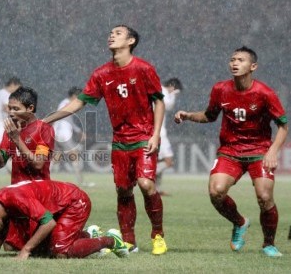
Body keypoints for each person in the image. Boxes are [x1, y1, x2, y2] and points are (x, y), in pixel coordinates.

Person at [43, 24, 167, 255]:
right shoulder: (101, 74)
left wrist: (155, 134)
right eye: (111, 32)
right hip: (120, 141)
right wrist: (45, 121)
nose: (112, 35)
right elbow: (78, 103)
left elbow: (159, 101)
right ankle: (129, 242)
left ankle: (158, 235)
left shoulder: (143, 69)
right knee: (123, 191)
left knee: (146, 184)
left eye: (118, 33)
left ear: (131, 41)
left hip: (143, 137)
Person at [174, 46, 288, 257]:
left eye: (241, 60)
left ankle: (269, 244)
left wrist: (272, 151)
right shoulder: (221, 89)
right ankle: (240, 222)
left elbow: (283, 125)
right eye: (233, 59)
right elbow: (209, 116)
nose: (235, 63)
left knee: (264, 196)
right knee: (216, 192)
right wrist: (188, 115)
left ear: (253, 66)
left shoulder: (264, 93)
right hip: (230, 151)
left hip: (259, 151)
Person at [0, 180, 129, 259]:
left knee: (61, 252)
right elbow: (3, 224)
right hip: (55, 207)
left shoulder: (17, 200)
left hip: (74, 202)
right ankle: (86, 235)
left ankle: (111, 241)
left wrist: (25, 250)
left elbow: (48, 222)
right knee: (42, 251)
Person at [0, 86, 55, 184]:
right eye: (9, 108)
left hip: (39, 192)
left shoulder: (44, 129)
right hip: (17, 192)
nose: (11, 113)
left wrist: (16, 139)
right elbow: (0, 163)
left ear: (30, 108)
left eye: (16, 109)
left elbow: (38, 164)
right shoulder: (10, 130)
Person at [52, 87, 94, 187]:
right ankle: (81, 182)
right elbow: (63, 119)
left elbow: (66, 120)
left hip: (59, 133)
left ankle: (43, 180)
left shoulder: (64, 103)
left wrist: (78, 131)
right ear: (74, 96)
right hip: (63, 134)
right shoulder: (67, 103)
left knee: (56, 157)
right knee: (74, 156)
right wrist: (78, 131)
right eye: (79, 96)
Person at [155, 78, 183, 196]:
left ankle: (156, 190)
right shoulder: (161, 91)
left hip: (158, 131)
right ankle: (145, 176)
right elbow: (168, 105)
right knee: (168, 161)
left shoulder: (160, 90)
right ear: (172, 86)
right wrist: (173, 94)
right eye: (176, 91)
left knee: (160, 161)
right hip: (158, 132)